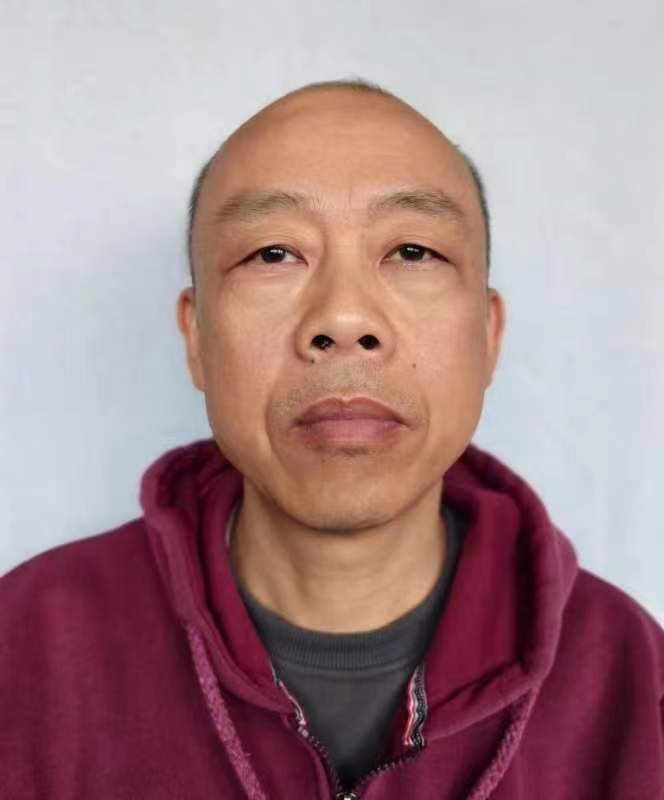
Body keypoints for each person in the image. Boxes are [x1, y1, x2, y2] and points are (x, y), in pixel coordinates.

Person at [1, 79, 663, 800]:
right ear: (196, 338)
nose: (344, 318)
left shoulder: (631, 674)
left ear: (488, 333)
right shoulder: (26, 647)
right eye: (273, 254)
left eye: (412, 250)